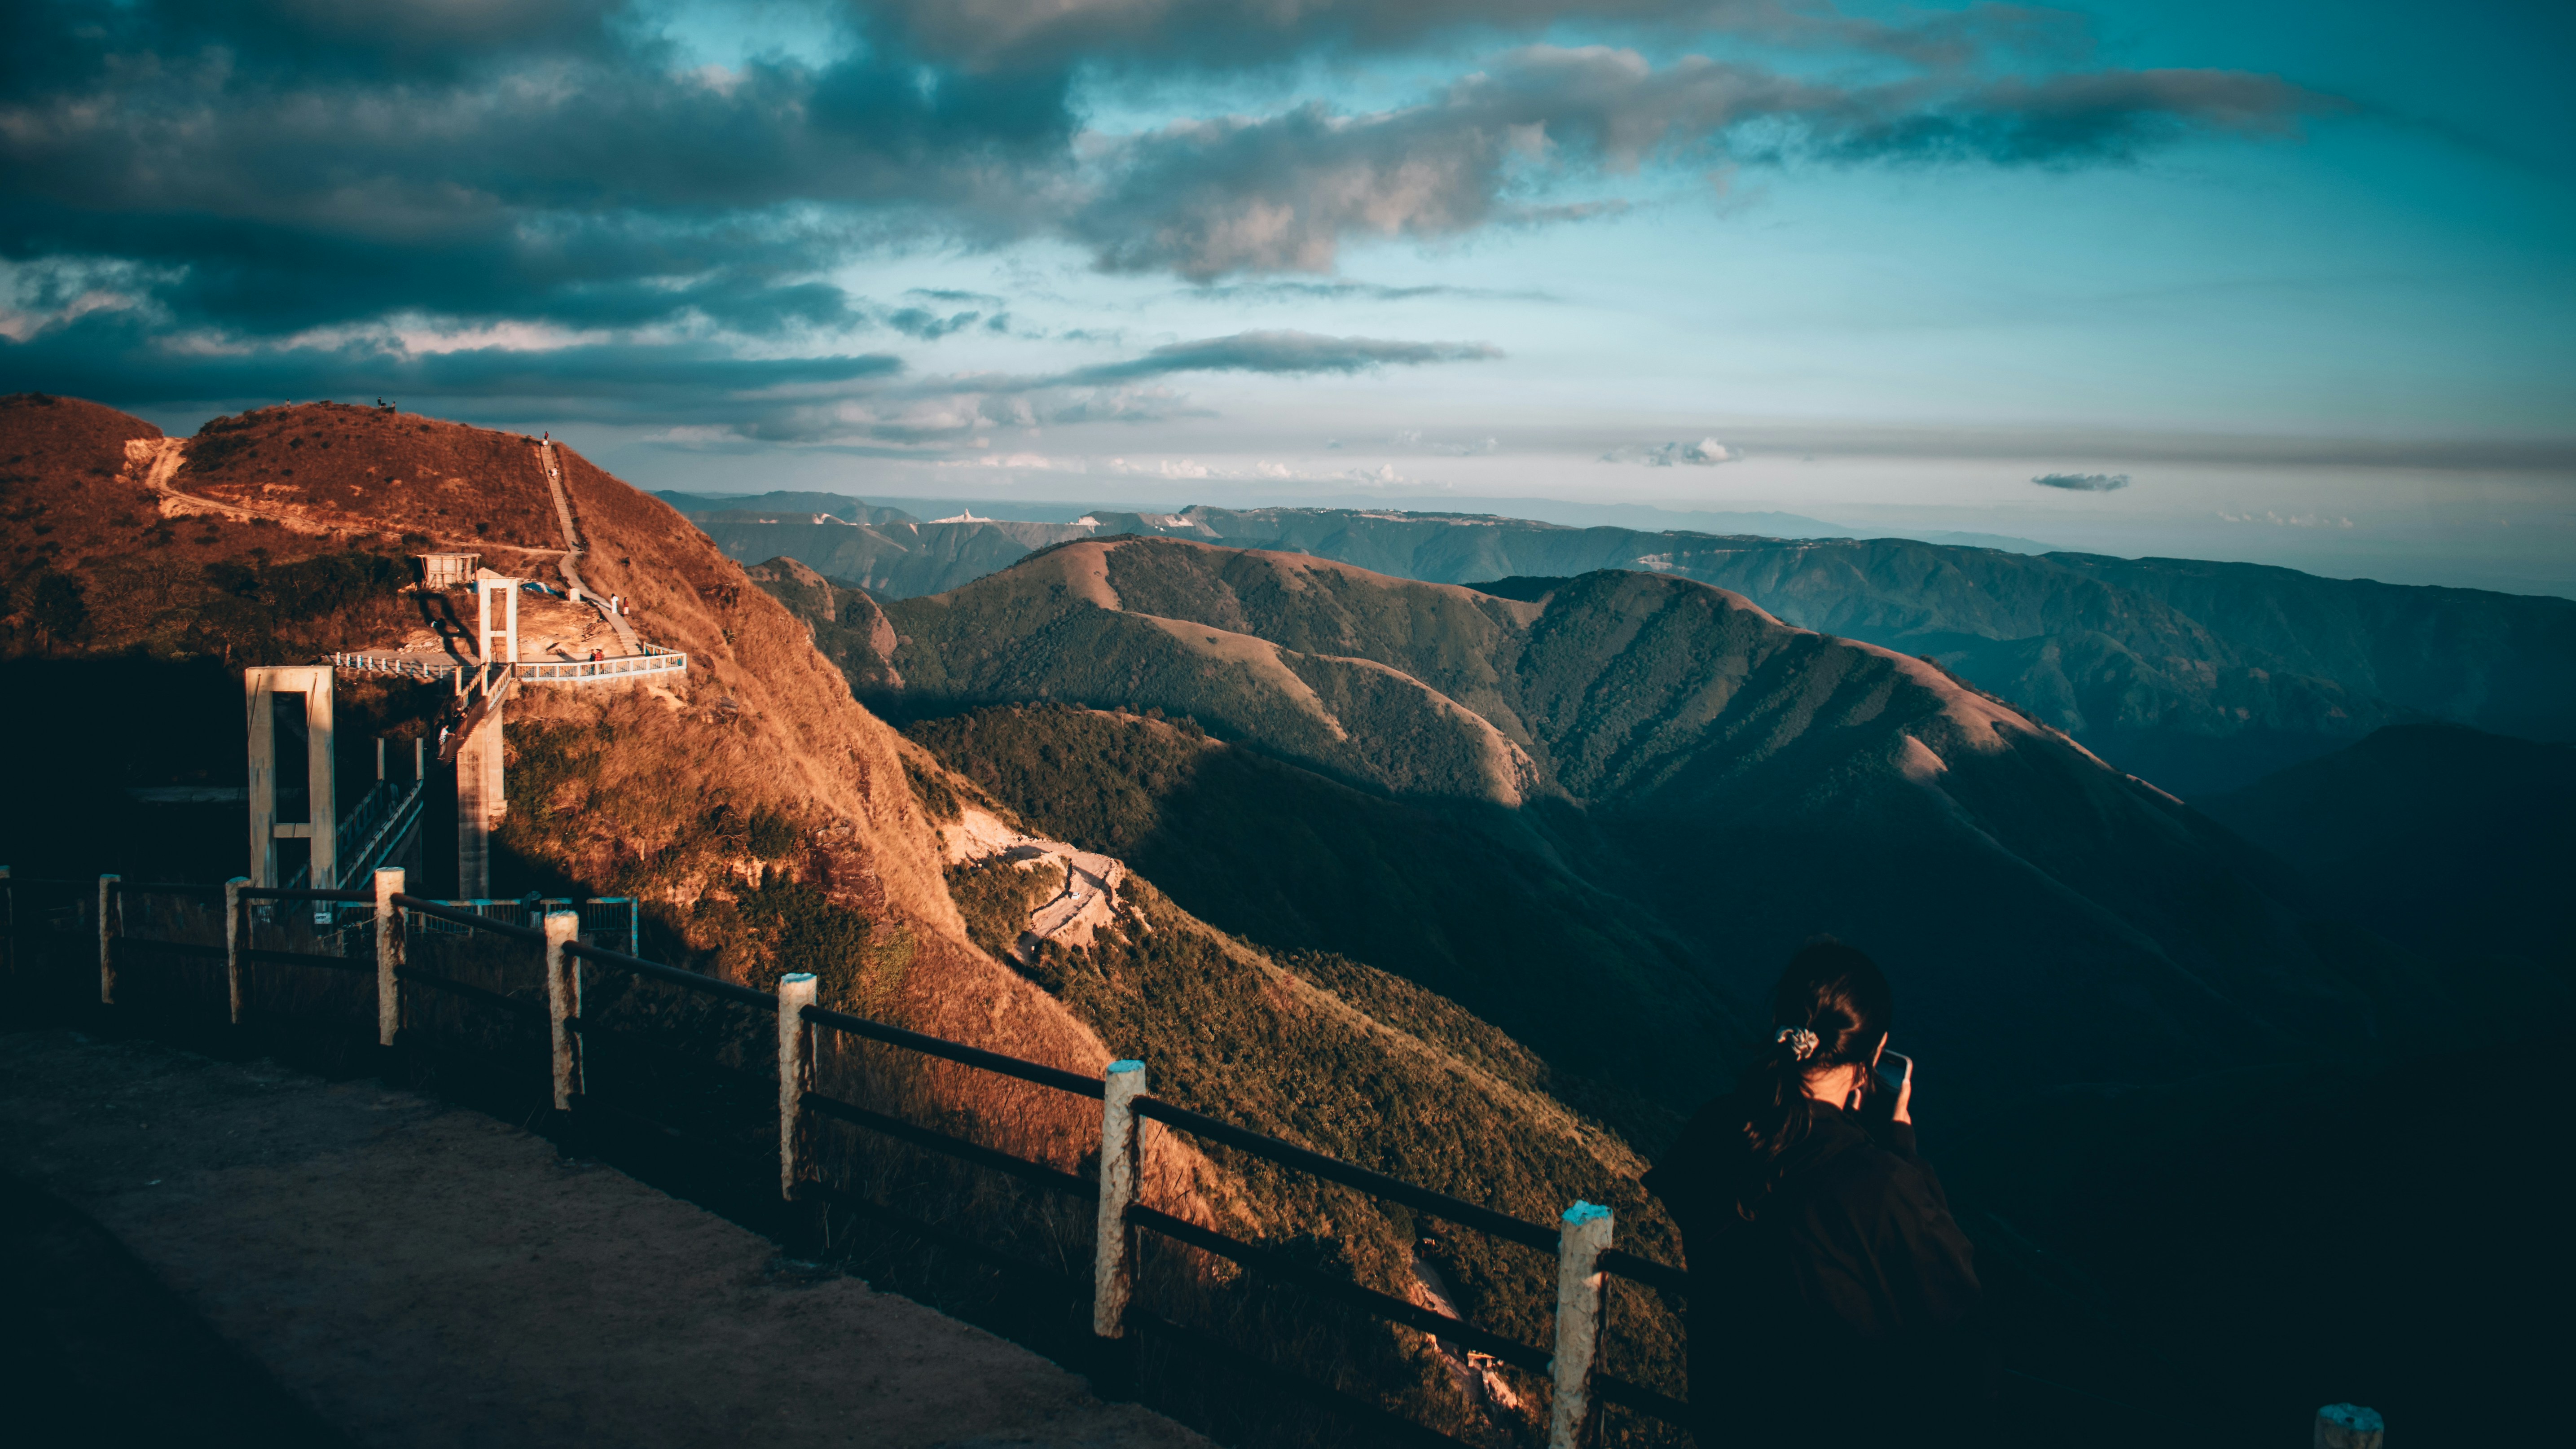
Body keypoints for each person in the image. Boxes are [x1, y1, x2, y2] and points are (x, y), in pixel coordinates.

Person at [1644, 938, 1989, 1446]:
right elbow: (1958, 1315)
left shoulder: (1713, 1129)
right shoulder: (1881, 1184)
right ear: (1874, 1055)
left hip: (1727, 1423)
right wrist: (1902, 1151)